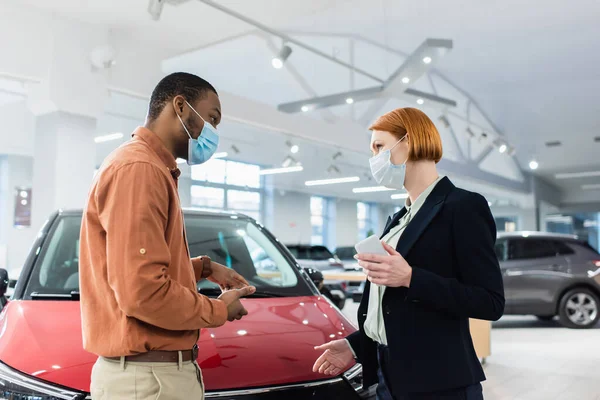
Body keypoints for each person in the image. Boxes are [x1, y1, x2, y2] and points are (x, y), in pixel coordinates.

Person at [79, 72, 256, 400]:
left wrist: (202, 268)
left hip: (149, 378)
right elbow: (142, 292)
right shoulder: (140, 170)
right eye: (211, 119)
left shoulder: (148, 167)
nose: (213, 133)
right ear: (180, 106)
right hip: (147, 381)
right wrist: (218, 310)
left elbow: (136, 271)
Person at [313, 107, 505, 400]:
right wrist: (356, 346)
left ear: (409, 141)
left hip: (440, 383)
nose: (374, 157)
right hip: (389, 376)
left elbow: (489, 302)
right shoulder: (400, 218)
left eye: (379, 146)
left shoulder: (463, 206)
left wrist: (412, 278)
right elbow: (391, 310)